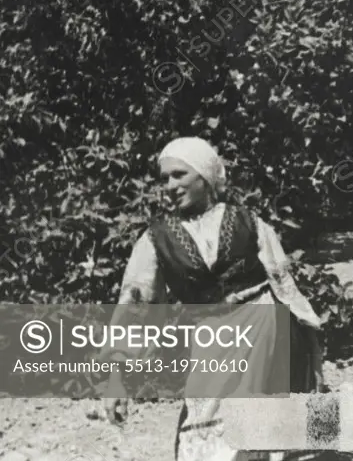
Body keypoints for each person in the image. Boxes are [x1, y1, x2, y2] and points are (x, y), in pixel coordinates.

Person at [102, 137, 324, 461]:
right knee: (203, 426)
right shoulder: (157, 239)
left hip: (262, 328)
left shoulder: (250, 223)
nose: (170, 185)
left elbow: (285, 286)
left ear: (204, 177)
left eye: (179, 175)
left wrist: (311, 348)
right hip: (211, 337)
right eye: (164, 178)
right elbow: (135, 305)